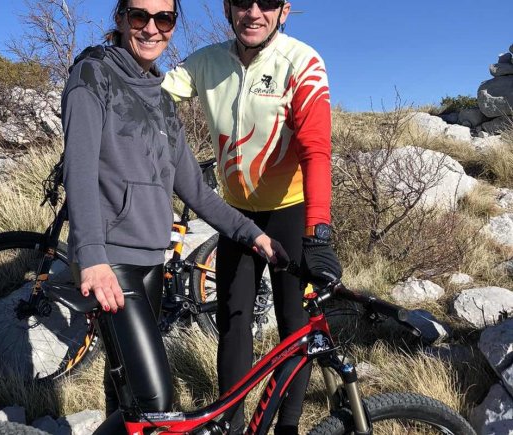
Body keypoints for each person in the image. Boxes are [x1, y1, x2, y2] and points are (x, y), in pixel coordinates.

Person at [61, 0, 288, 427]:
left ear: (172, 25)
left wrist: (251, 234)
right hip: (111, 260)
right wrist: (91, 257)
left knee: (126, 392)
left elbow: (195, 190)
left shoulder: (161, 97)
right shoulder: (93, 75)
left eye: (163, 18)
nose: (151, 28)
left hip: (151, 259)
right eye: (139, 16)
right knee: (155, 400)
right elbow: (80, 171)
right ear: (120, 19)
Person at [162, 1, 343, 433]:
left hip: (291, 212)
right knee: (233, 320)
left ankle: (287, 427)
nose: (254, 12)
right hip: (237, 216)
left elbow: (316, 150)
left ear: (285, 10)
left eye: (268, 2)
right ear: (228, 7)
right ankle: (233, 424)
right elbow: (152, 94)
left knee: (295, 327)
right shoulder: (206, 62)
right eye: (243, 1)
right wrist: (106, 70)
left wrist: (318, 231)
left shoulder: (302, 62)